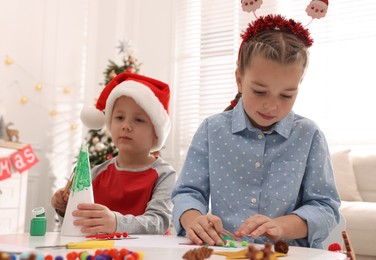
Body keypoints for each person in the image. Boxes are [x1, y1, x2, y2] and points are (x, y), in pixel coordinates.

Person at [172, 14, 340, 248]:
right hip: (225, 251)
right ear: (239, 79)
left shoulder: (309, 135)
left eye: (286, 95)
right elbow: (188, 192)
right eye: (260, 91)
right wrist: (194, 219)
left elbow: (325, 208)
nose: (271, 106)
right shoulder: (212, 129)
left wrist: (282, 226)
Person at [51, 72, 176, 235]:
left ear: (156, 134)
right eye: (119, 117)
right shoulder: (95, 173)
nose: (126, 126)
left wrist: (116, 223)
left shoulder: (164, 175)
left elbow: (159, 222)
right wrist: (64, 209)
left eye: (138, 120)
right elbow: (79, 225)